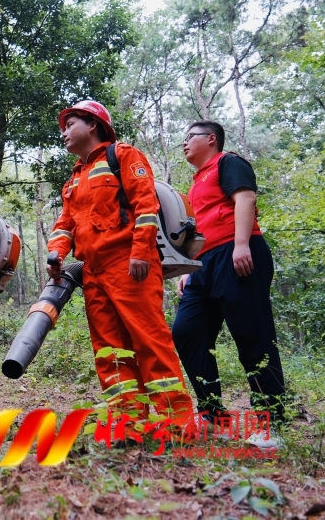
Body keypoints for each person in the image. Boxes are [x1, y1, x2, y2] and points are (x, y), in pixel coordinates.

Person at [47, 100, 196, 438]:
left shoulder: (122, 156)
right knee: (109, 349)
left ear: (93, 124)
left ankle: (176, 425)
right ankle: (128, 424)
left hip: (129, 265)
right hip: (93, 272)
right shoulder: (74, 178)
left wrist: (141, 251)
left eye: (70, 125)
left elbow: (146, 204)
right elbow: (65, 224)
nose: (64, 133)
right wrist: (55, 254)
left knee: (149, 341)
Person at [172, 121, 286, 446]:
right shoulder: (196, 181)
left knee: (252, 335)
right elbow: (197, 229)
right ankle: (213, 415)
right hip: (204, 264)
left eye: (189, 137)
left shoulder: (228, 162)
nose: (184, 143)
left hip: (236, 254)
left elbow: (245, 199)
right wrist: (188, 268)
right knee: (187, 330)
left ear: (211, 139)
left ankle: (271, 422)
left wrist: (241, 244)